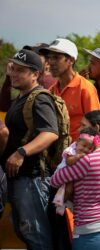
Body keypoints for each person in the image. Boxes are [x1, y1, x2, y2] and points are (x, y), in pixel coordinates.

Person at [0, 49, 59, 249]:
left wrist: (21, 152)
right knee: (23, 230)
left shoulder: (40, 98)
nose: (14, 74)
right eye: (12, 69)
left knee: (36, 236)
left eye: (20, 71)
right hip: (18, 178)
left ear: (35, 74)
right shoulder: (20, 99)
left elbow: (50, 133)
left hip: (32, 178)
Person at [50, 110, 100, 250]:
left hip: (90, 233)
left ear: (96, 129)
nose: (79, 129)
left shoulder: (86, 160)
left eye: (83, 125)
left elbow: (54, 180)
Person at [40, 38, 100, 141]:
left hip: (79, 151)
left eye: (56, 57)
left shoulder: (85, 88)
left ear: (71, 60)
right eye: (49, 58)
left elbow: (97, 125)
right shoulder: (52, 90)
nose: (51, 62)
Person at [53, 127, 100, 216]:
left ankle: (68, 206)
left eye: (89, 148)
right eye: (84, 146)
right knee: (69, 189)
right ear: (78, 141)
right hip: (65, 173)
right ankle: (60, 203)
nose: (86, 150)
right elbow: (69, 162)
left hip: (74, 175)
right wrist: (77, 157)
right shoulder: (71, 149)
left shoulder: (87, 155)